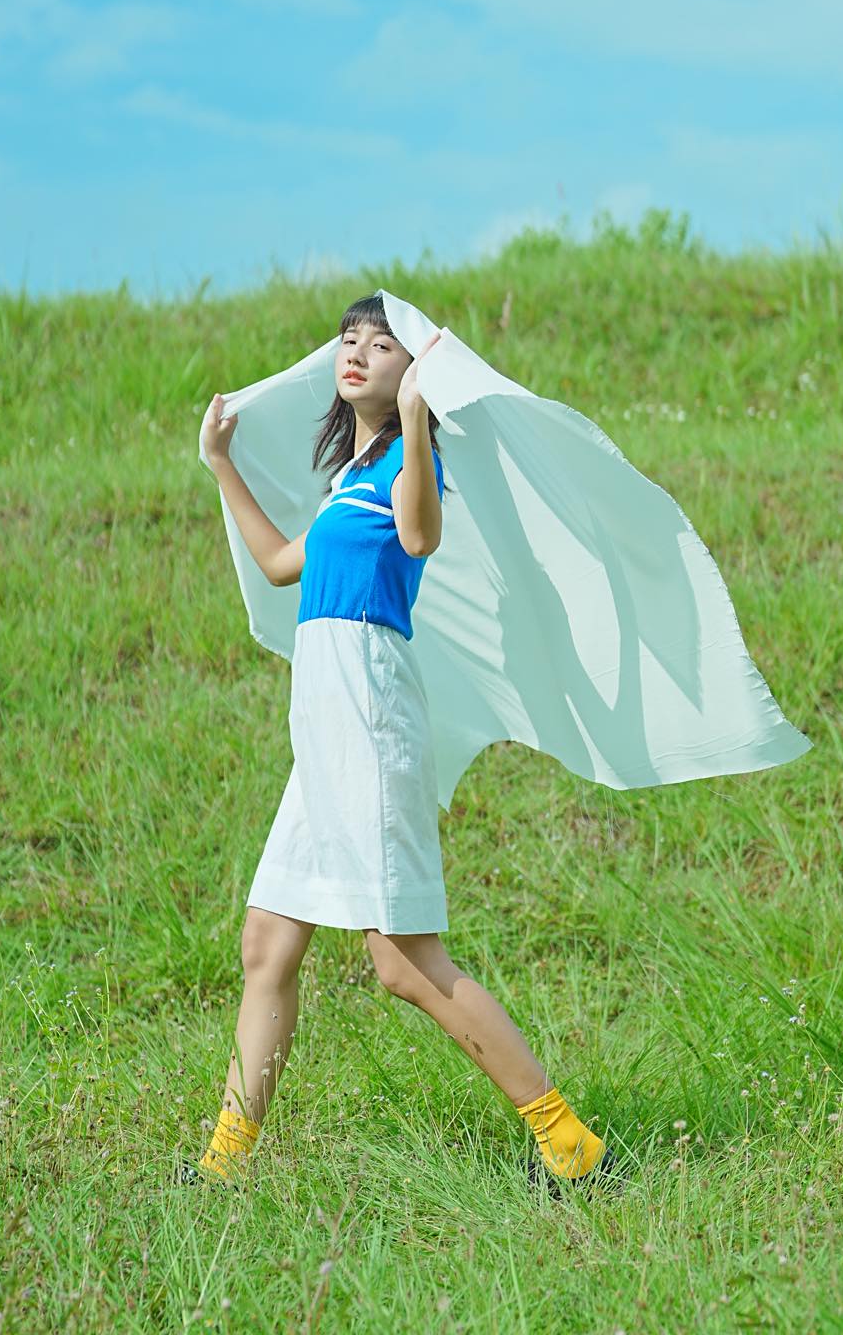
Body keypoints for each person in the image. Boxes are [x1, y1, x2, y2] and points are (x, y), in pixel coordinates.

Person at [184, 293, 619, 1197]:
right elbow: (278, 565)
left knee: (403, 962)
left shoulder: (406, 470)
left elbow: (422, 534)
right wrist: (221, 465)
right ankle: (224, 1166)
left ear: (409, 372)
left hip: (371, 717)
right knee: (268, 943)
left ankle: (569, 1143)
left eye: (381, 345)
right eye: (349, 340)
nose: (356, 353)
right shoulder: (349, 480)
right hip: (323, 733)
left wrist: (419, 420)